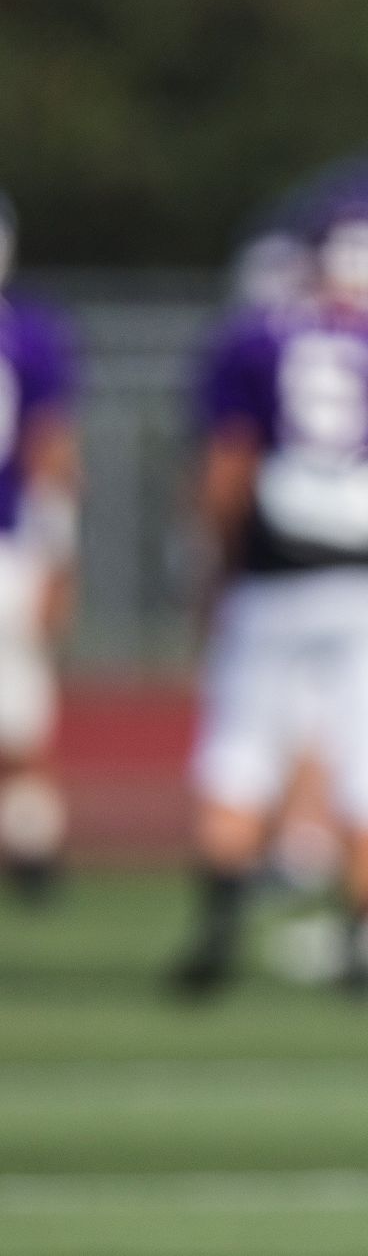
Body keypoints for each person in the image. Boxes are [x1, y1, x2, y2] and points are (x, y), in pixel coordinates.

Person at [169, 185, 368, 997]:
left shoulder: (256, 336)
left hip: (276, 570)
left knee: (241, 746)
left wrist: (214, 568)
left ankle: (218, 924)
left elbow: (227, 470)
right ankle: (367, 930)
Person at [0, 191, 80, 903]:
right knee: (18, 729)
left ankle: (33, 848)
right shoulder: (29, 330)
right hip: (10, 552)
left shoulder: (30, 333)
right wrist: (58, 553)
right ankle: (34, 846)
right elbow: (52, 456)